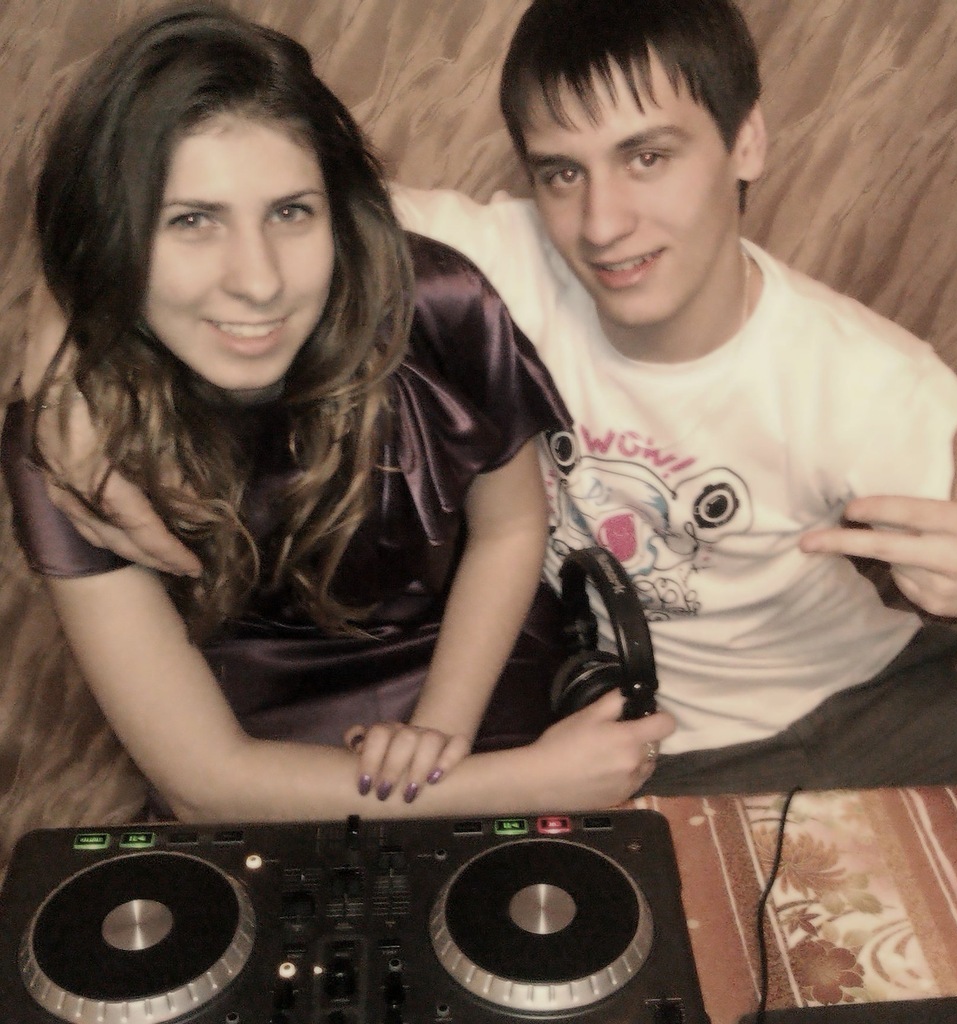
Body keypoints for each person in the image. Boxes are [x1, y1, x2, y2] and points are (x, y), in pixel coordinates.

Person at [22, 0, 957, 794]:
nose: (603, 222)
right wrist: (61, 353)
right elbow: (209, 220)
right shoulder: (486, 260)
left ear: (745, 141)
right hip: (596, 731)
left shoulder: (867, 384)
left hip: (858, 713)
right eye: (561, 171)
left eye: (648, 155)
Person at [2, 1, 673, 823]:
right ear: (110, 232)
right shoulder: (72, 442)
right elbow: (203, 782)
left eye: (291, 212)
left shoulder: (435, 304)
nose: (258, 281)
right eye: (191, 221)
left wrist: (438, 736)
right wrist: (531, 782)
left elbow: (508, 529)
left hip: (475, 669)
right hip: (256, 751)